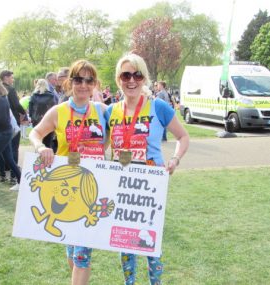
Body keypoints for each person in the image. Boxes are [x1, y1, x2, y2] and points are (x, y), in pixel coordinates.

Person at [105, 53, 189, 285]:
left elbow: (183, 136)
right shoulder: (110, 111)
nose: (131, 80)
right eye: (126, 75)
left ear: (144, 78)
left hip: (150, 186)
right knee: (124, 240)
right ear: (118, 79)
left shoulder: (158, 106)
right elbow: (98, 147)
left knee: (150, 242)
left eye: (137, 74)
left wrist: (174, 160)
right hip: (121, 185)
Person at [29, 59, 107, 285]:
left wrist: (104, 148)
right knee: (73, 252)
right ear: (70, 82)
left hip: (90, 188)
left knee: (82, 255)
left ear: (95, 83)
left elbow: (120, 131)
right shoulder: (59, 111)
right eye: (78, 79)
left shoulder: (102, 111)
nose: (83, 85)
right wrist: (41, 146)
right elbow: (35, 132)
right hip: (64, 188)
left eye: (89, 80)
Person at [0, 70, 26, 184]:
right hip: (12, 122)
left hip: (1, 123)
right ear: (5, 77)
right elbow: (16, 104)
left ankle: (2, 174)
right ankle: (14, 176)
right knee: (14, 148)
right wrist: (24, 113)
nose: (12, 80)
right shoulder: (10, 89)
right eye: (11, 77)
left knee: (2, 148)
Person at [29, 79, 56, 148]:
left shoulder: (33, 96)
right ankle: (48, 155)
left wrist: (32, 117)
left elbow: (30, 110)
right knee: (48, 141)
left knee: (38, 140)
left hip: (36, 120)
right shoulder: (51, 96)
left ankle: (39, 156)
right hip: (49, 120)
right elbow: (54, 108)